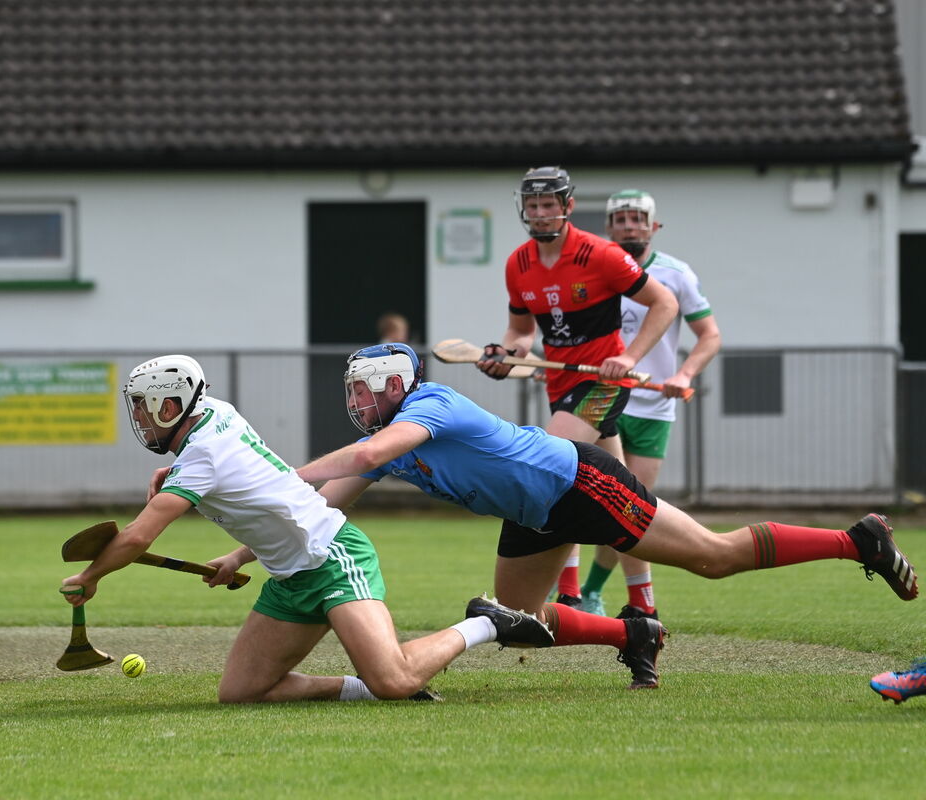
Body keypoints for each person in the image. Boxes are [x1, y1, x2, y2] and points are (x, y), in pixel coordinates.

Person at [296, 342, 920, 689]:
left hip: (578, 481)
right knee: (517, 620)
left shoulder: (428, 406)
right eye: (352, 389)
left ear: (399, 385)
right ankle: (635, 633)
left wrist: (287, 472)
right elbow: (320, 506)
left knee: (715, 557)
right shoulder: (386, 443)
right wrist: (243, 550)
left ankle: (856, 541)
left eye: (366, 387)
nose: (356, 400)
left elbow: (367, 454)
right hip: (534, 514)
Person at [61, 354, 553, 704]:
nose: (142, 420)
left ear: (172, 407)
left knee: (397, 680)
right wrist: (237, 556)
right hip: (291, 575)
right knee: (242, 693)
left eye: (147, 408)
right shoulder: (215, 412)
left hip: (333, 557)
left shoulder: (201, 457)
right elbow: (266, 493)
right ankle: (359, 685)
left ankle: (488, 621)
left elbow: (139, 537)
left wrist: (92, 577)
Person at [477, 167, 679, 609]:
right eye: (533, 206)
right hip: (561, 385)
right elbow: (520, 332)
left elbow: (665, 303)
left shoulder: (602, 255)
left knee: (545, 465)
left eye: (549, 205)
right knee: (626, 503)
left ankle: (556, 595)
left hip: (602, 385)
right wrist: (505, 354)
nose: (540, 214)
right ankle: (644, 609)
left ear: (568, 207)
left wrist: (628, 358)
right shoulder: (518, 264)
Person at [579, 189, 722, 620]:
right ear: (608, 227)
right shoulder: (593, 269)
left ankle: (590, 591)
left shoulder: (676, 274)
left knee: (630, 511)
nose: (628, 226)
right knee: (599, 502)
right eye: (620, 219)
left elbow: (709, 335)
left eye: (637, 218)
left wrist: (683, 375)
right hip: (606, 401)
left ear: (654, 226)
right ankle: (577, 593)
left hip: (656, 409)